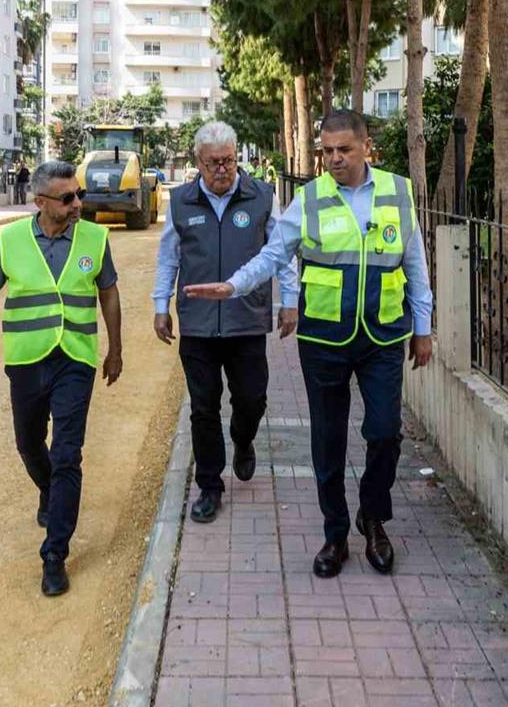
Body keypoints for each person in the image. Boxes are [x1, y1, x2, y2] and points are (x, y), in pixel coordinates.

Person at [184, 109, 434, 579]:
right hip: (323, 339)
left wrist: (424, 327)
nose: (334, 158)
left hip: (382, 336)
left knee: (385, 431)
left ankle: (373, 517)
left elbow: (415, 265)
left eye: (344, 149)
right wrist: (233, 286)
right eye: (327, 151)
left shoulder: (397, 192)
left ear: (366, 148)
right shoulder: (310, 198)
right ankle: (335, 533)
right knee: (327, 438)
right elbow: (273, 255)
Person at [0, 160, 123, 597]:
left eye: (79, 195)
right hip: (27, 359)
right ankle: (48, 490)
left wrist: (115, 349)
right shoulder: (11, 239)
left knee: (67, 453)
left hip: (75, 358)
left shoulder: (95, 238)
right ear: (40, 202)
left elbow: (109, 293)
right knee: (29, 443)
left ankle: (54, 554)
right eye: (67, 198)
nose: (77, 204)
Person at [152, 121, 298, 524]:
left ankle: (243, 438)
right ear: (198, 162)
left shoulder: (262, 196)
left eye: (229, 161)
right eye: (213, 162)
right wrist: (161, 305)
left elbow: (282, 252)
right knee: (203, 407)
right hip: (198, 323)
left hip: (246, 319)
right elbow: (168, 258)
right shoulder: (181, 201)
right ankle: (210, 486)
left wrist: (290, 301)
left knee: (252, 398)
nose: (222, 169)